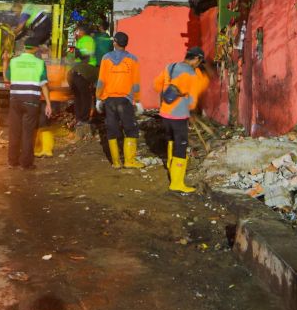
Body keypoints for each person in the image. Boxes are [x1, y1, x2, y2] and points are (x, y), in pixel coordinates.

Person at [153, 47, 209, 193]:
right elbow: (192, 102)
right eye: (199, 62)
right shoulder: (192, 74)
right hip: (179, 116)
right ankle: (177, 183)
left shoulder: (169, 67)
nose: (198, 65)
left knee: (171, 140)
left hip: (165, 113)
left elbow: (157, 85)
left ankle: (171, 168)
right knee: (180, 146)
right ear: (196, 59)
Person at [96, 31, 144, 169]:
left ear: (115, 42)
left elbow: (101, 81)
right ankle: (129, 161)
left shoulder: (105, 58)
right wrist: (138, 100)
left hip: (109, 101)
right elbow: (135, 83)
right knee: (131, 129)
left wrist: (99, 98)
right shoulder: (133, 59)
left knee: (112, 130)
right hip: (125, 100)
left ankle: (116, 162)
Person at [4, 41, 52, 170]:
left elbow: (7, 78)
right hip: (31, 100)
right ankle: (26, 163)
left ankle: (12, 161)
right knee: (28, 133)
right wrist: (48, 104)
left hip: (15, 99)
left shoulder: (14, 62)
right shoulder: (40, 63)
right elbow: (43, 85)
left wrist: (5, 62)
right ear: (36, 48)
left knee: (14, 131)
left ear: (24, 47)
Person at [68, 43, 99, 132]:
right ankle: (84, 119)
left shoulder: (90, 68)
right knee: (86, 98)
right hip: (79, 76)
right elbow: (96, 88)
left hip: (70, 74)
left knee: (77, 97)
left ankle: (79, 117)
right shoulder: (98, 72)